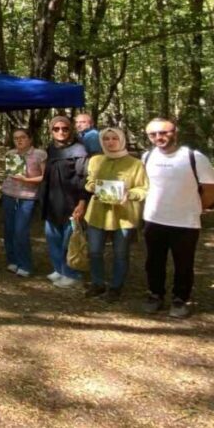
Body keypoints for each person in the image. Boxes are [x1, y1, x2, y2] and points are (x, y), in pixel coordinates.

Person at [139, 118, 214, 318]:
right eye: (153, 134)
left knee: (183, 263)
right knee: (153, 262)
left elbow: (210, 189)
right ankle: (155, 295)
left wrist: (197, 208)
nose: (159, 137)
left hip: (185, 222)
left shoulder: (194, 157)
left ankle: (180, 299)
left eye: (164, 132)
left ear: (175, 132)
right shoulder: (147, 157)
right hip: (154, 219)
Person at [74, 127, 147, 302]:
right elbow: (89, 182)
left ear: (121, 140)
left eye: (114, 138)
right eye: (106, 139)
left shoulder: (135, 163)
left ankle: (116, 287)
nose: (110, 142)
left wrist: (129, 194)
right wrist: (93, 187)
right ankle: (98, 283)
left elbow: (143, 189)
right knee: (94, 251)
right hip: (98, 213)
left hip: (123, 215)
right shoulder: (96, 160)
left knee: (120, 253)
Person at [37, 115, 89, 289]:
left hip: (71, 202)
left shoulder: (80, 150)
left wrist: (82, 203)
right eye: (56, 129)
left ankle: (71, 273)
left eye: (65, 128)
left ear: (71, 130)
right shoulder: (51, 149)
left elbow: (84, 179)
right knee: (53, 237)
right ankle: (58, 269)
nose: (61, 132)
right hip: (51, 200)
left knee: (69, 239)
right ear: (51, 130)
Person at [0, 128, 47, 278]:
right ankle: (13, 260)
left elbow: (45, 177)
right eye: (16, 138)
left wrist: (26, 180)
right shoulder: (10, 154)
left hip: (28, 196)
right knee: (9, 229)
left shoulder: (39, 154)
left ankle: (25, 264)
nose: (19, 140)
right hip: (9, 194)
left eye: (23, 137)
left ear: (30, 139)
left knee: (21, 231)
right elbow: (8, 174)